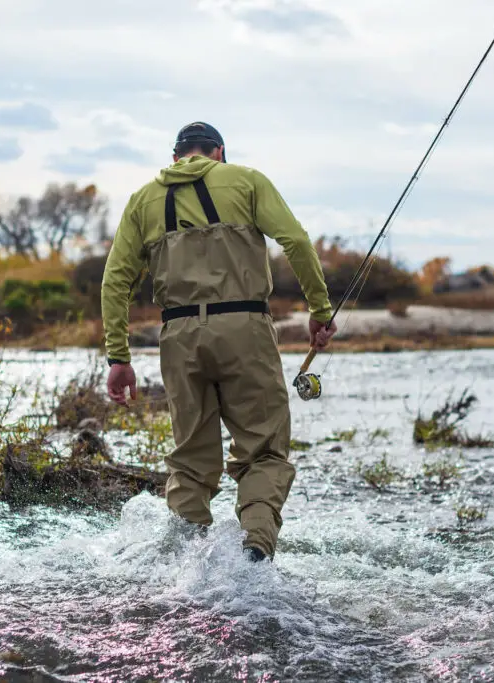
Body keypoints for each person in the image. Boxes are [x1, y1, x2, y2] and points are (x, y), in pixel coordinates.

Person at [100, 121, 337, 562]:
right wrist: (319, 310)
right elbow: (297, 242)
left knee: (190, 458)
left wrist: (119, 356)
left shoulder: (143, 199)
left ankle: (185, 569)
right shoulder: (246, 180)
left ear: (177, 158)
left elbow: (115, 281)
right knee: (263, 451)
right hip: (244, 328)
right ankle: (255, 550)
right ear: (219, 153)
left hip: (178, 337)